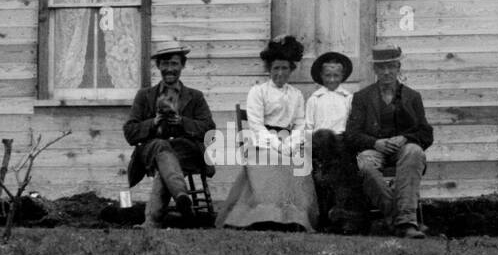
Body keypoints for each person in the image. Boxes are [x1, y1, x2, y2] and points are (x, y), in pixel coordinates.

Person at [216, 35, 319, 231]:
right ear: (269, 70)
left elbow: (300, 123)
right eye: (276, 68)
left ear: (291, 70)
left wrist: (290, 144)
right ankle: (265, 216)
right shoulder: (258, 91)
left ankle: (292, 218)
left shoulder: (296, 94)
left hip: (289, 141)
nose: (280, 73)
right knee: (272, 159)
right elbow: (255, 124)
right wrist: (277, 144)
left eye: (285, 68)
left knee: (298, 161)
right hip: (262, 141)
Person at [123, 39, 216, 229]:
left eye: (174, 63)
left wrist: (183, 122)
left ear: (183, 65)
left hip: (186, 152)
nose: (169, 69)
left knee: (165, 160)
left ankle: (153, 220)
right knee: (160, 147)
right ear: (158, 66)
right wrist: (153, 122)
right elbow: (130, 132)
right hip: (151, 150)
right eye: (164, 64)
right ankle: (181, 196)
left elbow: (210, 130)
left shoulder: (195, 97)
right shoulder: (145, 96)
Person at [345, 43, 433, 238]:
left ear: (398, 68)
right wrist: (375, 143)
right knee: (364, 165)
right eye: (381, 67)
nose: (386, 72)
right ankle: (402, 221)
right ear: (374, 69)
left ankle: (404, 221)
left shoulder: (412, 97)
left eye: (391, 66)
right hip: (374, 149)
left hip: (403, 151)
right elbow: (351, 134)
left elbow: (426, 133)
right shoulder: (362, 97)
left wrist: (405, 138)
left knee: (414, 151)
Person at [304, 50, 366, 231]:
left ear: (343, 76)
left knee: (344, 172)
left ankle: (344, 216)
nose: (332, 79)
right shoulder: (314, 99)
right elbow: (308, 126)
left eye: (336, 75)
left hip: (342, 144)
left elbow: (352, 125)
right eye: (328, 75)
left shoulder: (348, 98)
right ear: (321, 76)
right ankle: (323, 216)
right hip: (319, 144)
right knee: (323, 141)